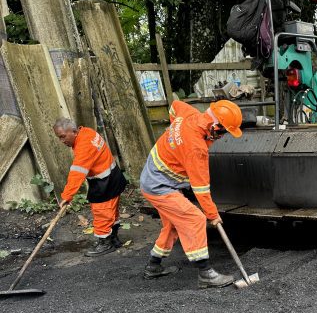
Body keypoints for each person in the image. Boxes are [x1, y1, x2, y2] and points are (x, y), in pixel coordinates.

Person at [140, 100, 243, 288]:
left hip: (154, 176)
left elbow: (174, 105)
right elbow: (201, 190)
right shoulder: (196, 149)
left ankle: (153, 266)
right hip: (158, 186)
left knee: (172, 224)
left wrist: (174, 133)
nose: (221, 137)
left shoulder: (189, 114)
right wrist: (213, 215)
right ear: (214, 125)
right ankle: (205, 274)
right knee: (194, 218)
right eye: (222, 132)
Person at [54, 118, 127, 256]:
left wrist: (67, 196)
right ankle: (113, 239)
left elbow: (77, 174)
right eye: (59, 138)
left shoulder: (84, 146)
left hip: (104, 182)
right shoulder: (88, 132)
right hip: (113, 176)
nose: (62, 141)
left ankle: (105, 243)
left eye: (63, 136)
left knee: (102, 213)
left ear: (74, 131)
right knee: (111, 211)